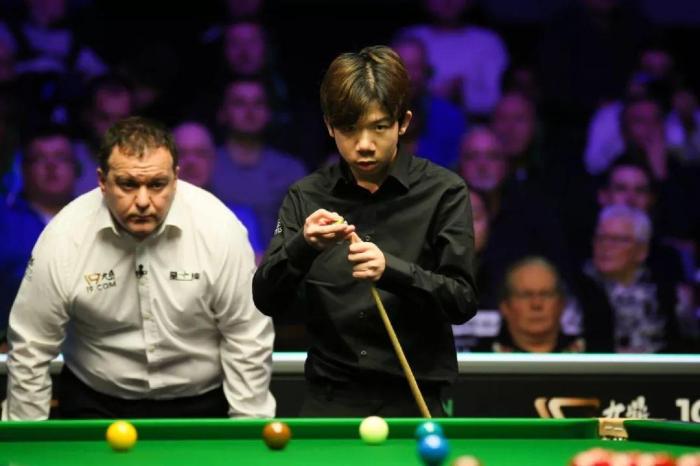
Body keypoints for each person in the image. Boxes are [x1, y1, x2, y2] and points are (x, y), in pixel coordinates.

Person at [252, 45, 478, 417]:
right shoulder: (305, 196)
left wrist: (393, 271)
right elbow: (266, 299)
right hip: (330, 401)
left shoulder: (444, 192)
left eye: (379, 127)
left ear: (403, 122)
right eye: (349, 129)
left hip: (414, 400)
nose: (364, 145)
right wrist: (302, 246)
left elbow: (462, 301)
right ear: (330, 126)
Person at [2, 116, 275, 420]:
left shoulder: (219, 229)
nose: (143, 201)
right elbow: (31, 345)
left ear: (175, 179)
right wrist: (24, 433)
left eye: (157, 184)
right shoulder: (64, 237)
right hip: (95, 402)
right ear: (102, 181)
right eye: (128, 184)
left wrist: (250, 424)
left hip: (202, 402)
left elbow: (246, 334)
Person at [0, 126, 78, 345]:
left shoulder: (100, 217)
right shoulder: (3, 219)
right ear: (23, 169)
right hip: (12, 346)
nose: (51, 166)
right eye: (39, 158)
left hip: (87, 350)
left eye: (61, 158)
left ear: (76, 168)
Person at [573, 204, 683, 353]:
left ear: (642, 250)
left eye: (619, 239)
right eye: (601, 237)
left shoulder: (666, 291)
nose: (606, 246)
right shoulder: (574, 289)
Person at [172, 121, 264, 257]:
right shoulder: (150, 217)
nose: (191, 162)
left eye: (201, 153)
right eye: (181, 154)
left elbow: (255, 266)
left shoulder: (239, 219)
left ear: (213, 160)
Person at [474, 257, 585, 353]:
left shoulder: (588, 355)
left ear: (562, 303)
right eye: (526, 295)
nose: (536, 304)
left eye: (546, 294)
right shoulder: (479, 358)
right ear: (505, 306)